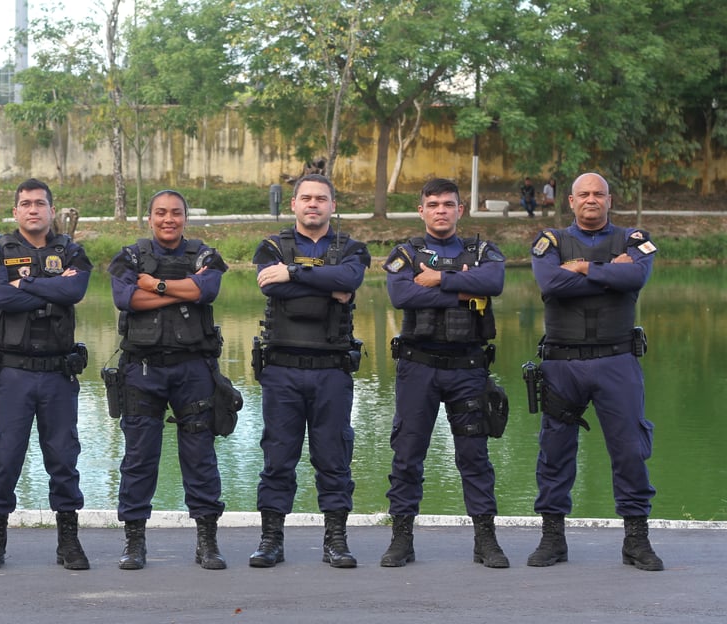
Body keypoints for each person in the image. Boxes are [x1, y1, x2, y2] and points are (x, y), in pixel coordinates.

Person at [527, 172, 662, 570]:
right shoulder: (549, 241)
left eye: (598, 194)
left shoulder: (634, 241)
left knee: (630, 451)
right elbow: (550, 284)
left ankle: (636, 541)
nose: (591, 199)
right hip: (561, 363)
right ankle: (553, 539)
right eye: (583, 194)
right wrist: (607, 273)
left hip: (616, 360)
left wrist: (583, 267)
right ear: (570, 201)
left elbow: (635, 275)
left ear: (609, 199)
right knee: (554, 452)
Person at [380, 178, 509, 568]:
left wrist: (439, 278)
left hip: (467, 368)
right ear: (421, 210)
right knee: (407, 455)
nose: (440, 210)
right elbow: (402, 295)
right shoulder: (405, 252)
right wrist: (462, 290)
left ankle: (485, 540)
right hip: (417, 367)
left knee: (474, 456)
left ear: (460, 210)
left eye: (448, 204)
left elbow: (495, 281)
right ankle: (402, 539)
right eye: (433, 204)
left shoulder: (483, 250)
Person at [249, 174, 370, 568]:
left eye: (321, 199)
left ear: (333, 205)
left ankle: (336, 541)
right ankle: (271, 541)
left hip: (331, 370)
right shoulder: (271, 247)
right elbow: (271, 287)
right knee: (278, 458)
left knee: (334, 458)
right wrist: (324, 284)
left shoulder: (352, 248)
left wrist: (295, 273)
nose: (313, 204)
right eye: (306, 198)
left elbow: (349, 278)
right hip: (281, 370)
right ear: (294, 205)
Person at [107, 189, 230, 570]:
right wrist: (181, 294)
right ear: (150, 217)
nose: (168, 219)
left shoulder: (204, 254)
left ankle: (207, 542)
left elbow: (206, 289)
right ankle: (134, 542)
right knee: (139, 457)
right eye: (161, 213)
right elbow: (126, 299)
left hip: (193, 369)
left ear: (185, 218)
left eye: (176, 213)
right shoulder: (129, 255)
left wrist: (156, 285)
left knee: (200, 457)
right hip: (142, 369)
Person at [0, 179, 93, 570]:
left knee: (63, 457)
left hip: (58, 373)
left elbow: (74, 293)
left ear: (51, 210)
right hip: (14, 373)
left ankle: (69, 542)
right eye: (25, 204)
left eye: (40, 203)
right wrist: (51, 287)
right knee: (5, 457)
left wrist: (25, 283)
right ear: (15, 212)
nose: (32, 210)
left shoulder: (70, 251)